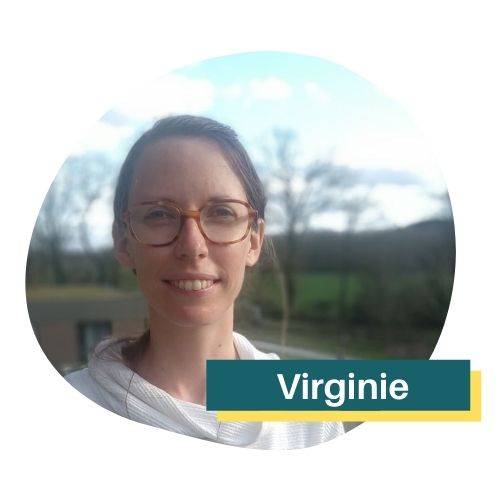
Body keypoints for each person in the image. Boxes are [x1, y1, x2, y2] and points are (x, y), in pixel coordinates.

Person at [65, 115, 344, 449]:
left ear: (254, 241)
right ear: (124, 243)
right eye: (159, 214)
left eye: (222, 212)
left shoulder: (313, 418)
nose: (192, 246)